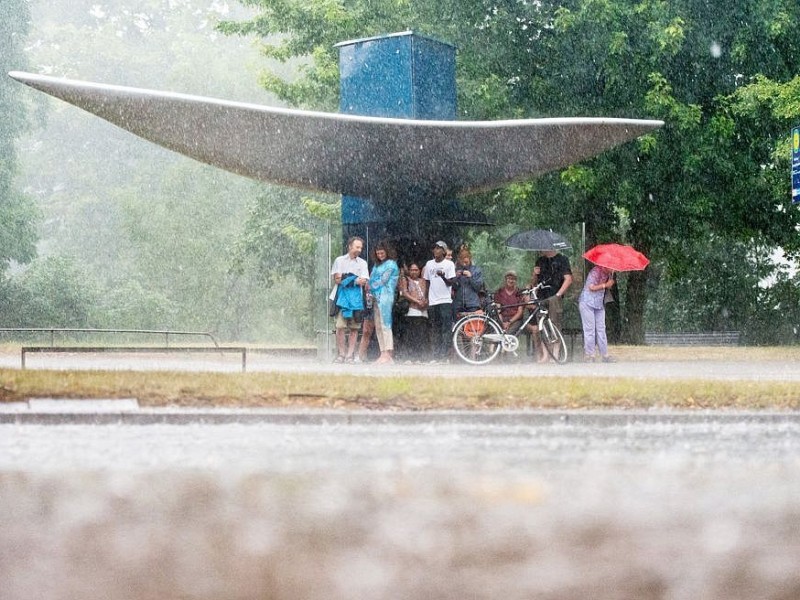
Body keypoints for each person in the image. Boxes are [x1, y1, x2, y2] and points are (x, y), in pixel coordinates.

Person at [529, 249, 573, 363]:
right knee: (542, 326)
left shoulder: (562, 259)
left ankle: (555, 354)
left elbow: (568, 279)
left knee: (555, 324)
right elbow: (534, 283)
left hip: (554, 297)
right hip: (541, 298)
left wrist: (558, 294)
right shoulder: (540, 261)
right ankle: (545, 355)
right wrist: (535, 274)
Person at [330, 236, 369, 363]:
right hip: (341, 298)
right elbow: (337, 279)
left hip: (356, 300)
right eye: (357, 247)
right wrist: (354, 279)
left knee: (354, 328)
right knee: (340, 327)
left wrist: (347, 278)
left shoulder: (362, 263)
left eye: (361, 248)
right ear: (350, 246)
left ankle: (349, 355)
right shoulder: (339, 261)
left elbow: (364, 281)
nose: (359, 250)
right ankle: (341, 354)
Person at [423, 240, 456, 362]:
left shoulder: (449, 264)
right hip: (433, 301)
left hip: (445, 300)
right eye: (435, 248)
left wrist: (442, 276)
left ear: (444, 251)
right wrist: (426, 297)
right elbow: (427, 281)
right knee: (435, 328)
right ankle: (435, 355)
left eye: (439, 248)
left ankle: (444, 355)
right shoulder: (429, 264)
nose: (436, 250)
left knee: (445, 329)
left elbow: (451, 282)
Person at [368, 240, 400, 364]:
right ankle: (383, 353)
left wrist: (370, 285)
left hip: (386, 297)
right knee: (378, 325)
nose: (380, 255)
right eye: (378, 253)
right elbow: (371, 278)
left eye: (382, 252)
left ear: (387, 252)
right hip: (376, 297)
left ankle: (388, 353)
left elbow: (383, 280)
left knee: (385, 324)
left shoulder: (391, 264)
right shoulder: (376, 265)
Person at [579, 265, 615, 362]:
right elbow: (591, 287)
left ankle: (605, 355)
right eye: (612, 266)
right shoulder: (596, 271)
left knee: (601, 329)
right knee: (590, 329)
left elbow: (606, 287)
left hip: (599, 304)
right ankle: (590, 355)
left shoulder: (609, 274)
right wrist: (605, 285)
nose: (613, 269)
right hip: (587, 302)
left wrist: (609, 284)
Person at [397, 262, 429, 362]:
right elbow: (405, 294)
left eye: (416, 270)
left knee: (421, 334)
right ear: (409, 271)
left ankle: (419, 357)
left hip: (423, 310)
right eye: (412, 270)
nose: (414, 272)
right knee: (412, 334)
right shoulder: (405, 280)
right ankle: (411, 356)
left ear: (419, 271)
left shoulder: (423, 281)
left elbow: (426, 293)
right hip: (412, 310)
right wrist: (417, 301)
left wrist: (425, 302)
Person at [452, 245, 485, 318]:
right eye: (462, 261)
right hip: (458, 304)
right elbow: (453, 287)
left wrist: (470, 277)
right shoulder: (455, 270)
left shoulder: (476, 270)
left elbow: (478, 287)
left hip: (472, 304)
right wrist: (456, 277)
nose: (464, 264)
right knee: (458, 327)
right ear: (459, 260)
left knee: (473, 327)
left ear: (470, 259)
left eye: (466, 261)